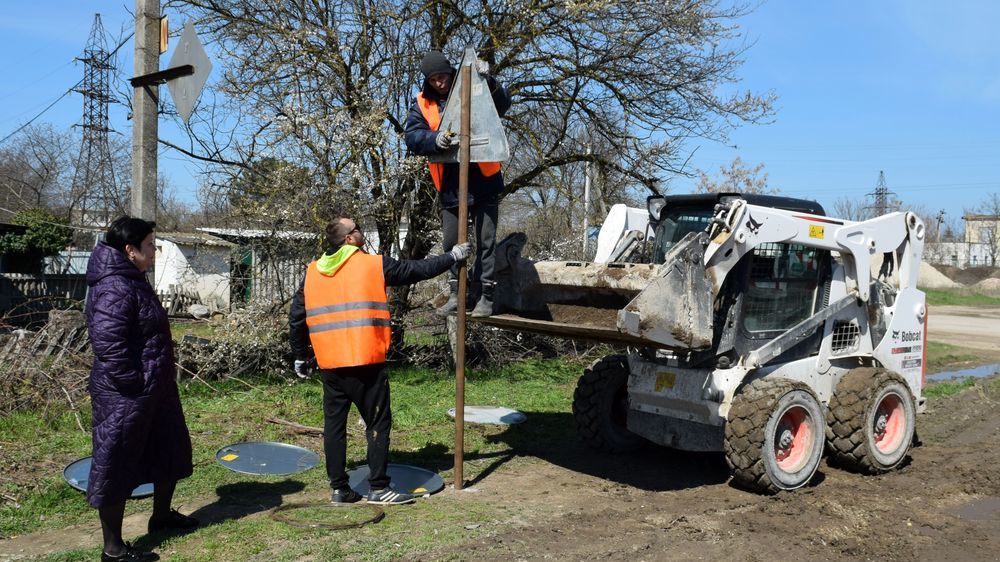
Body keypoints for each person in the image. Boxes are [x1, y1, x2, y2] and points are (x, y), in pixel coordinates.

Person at [288, 217, 471, 505]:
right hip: (365, 362)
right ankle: (378, 487)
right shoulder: (373, 265)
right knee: (377, 422)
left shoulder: (312, 272)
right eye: (357, 228)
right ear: (349, 239)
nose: (360, 230)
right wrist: (452, 257)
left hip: (330, 364)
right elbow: (416, 270)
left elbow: (297, 316)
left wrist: (300, 355)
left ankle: (339, 489)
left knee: (334, 427)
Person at [85, 216, 198, 562]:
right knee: (116, 462)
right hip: (125, 393)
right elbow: (108, 344)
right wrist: (135, 383)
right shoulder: (114, 286)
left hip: (154, 388)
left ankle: (161, 518)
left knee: (170, 448)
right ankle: (114, 550)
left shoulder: (134, 280)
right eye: (150, 245)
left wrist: (154, 383)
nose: (155, 251)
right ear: (130, 250)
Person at [404, 49, 512, 318]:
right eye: (434, 80)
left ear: (451, 72)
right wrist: (433, 139)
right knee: (452, 242)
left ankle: (487, 296)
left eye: (443, 77)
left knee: (486, 241)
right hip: (451, 184)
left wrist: (490, 81)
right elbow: (412, 135)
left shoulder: (474, 87)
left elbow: (502, 105)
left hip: (484, 178)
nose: (440, 83)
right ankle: (456, 294)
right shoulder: (422, 103)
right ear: (427, 81)